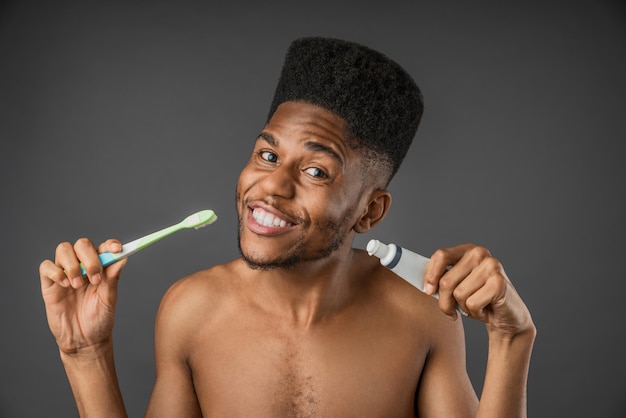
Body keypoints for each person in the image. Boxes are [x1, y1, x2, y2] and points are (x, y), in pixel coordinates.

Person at [39, 37, 536, 417]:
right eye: (267, 154)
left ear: (369, 212)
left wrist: (513, 339)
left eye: (316, 171)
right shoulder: (190, 309)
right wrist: (86, 354)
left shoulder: (423, 313)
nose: (270, 186)